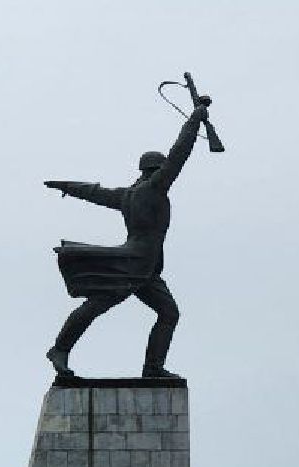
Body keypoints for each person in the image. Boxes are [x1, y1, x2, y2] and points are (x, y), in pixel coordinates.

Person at [44, 99, 210, 378]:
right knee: (100, 305)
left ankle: (153, 368)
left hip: (145, 268)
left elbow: (94, 192)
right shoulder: (154, 189)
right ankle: (60, 348)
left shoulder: (128, 195)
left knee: (167, 313)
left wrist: (66, 186)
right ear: (157, 171)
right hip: (134, 264)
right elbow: (179, 152)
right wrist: (195, 119)